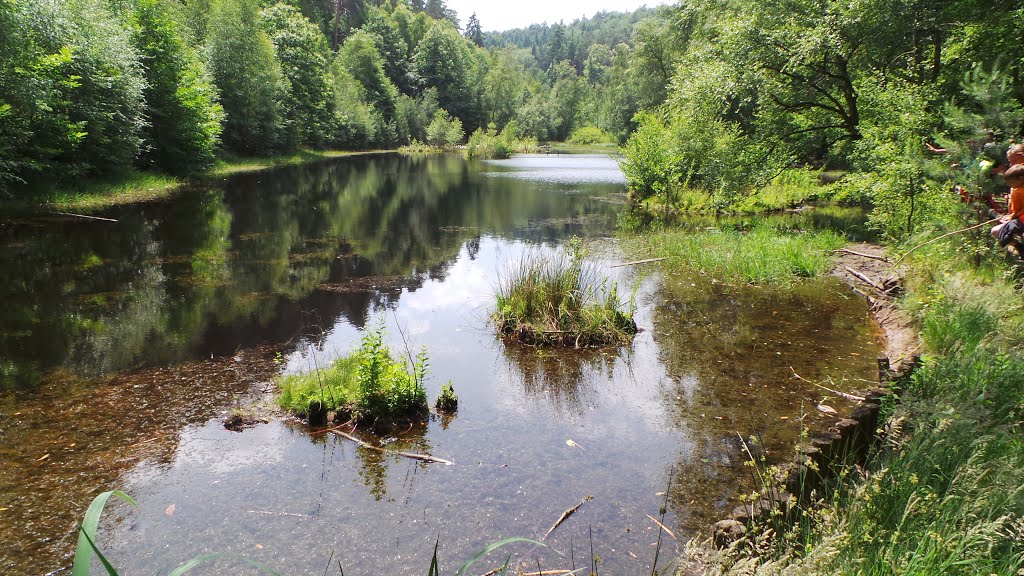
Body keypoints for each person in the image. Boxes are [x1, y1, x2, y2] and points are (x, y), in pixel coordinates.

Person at [991, 163, 1024, 256]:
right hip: (1021, 217)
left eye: (1012, 183)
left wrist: (1011, 219)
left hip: (1022, 219)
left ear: (1021, 178)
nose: (1011, 186)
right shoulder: (1017, 189)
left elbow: (1018, 210)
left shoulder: (1019, 191)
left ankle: (1019, 248)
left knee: (1005, 233)